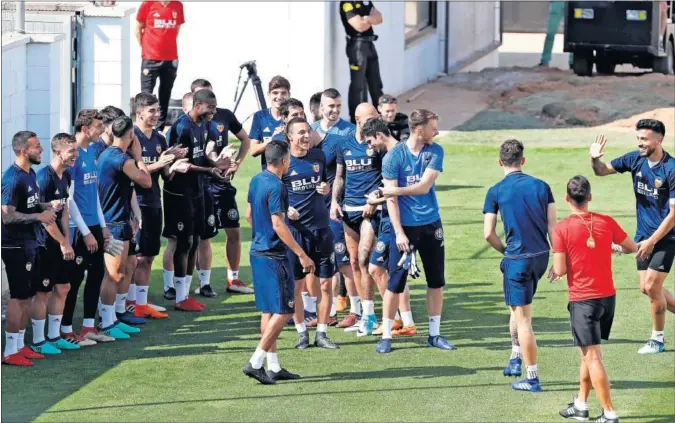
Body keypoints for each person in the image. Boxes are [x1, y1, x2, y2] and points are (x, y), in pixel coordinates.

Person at [552, 176, 638, 423]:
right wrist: (613, 248)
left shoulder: (561, 228)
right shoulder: (606, 222)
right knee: (587, 354)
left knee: (592, 357)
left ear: (567, 199)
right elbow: (631, 247)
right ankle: (580, 405)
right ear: (589, 197)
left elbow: (559, 270)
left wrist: (557, 268)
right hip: (607, 299)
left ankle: (609, 413)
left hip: (583, 300)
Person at [590, 120, 675, 355]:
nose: (640, 143)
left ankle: (657, 340)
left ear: (659, 140)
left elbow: (674, 215)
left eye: (645, 139)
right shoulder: (634, 159)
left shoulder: (671, 169)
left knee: (652, 285)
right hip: (642, 236)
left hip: (667, 236)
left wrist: (651, 241)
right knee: (646, 289)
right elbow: (600, 171)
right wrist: (595, 158)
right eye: (638, 138)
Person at [374, 109, 454, 354]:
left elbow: (423, 187)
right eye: (433, 128)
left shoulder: (435, 151)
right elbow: (390, 203)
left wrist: (394, 190)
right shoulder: (394, 157)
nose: (437, 132)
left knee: (436, 281)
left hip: (431, 224)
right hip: (404, 228)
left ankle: (434, 334)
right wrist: (398, 233)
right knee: (395, 283)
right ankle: (386, 335)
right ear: (419, 129)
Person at [483, 139, 556, 391]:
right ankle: (514, 358)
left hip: (517, 260)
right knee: (517, 309)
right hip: (541, 257)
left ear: (499, 161)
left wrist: (506, 252)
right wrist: (557, 259)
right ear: (523, 160)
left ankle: (532, 377)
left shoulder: (495, 191)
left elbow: (488, 234)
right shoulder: (542, 187)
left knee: (523, 318)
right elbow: (552, 227)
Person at [244, 140, 313, 384]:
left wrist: (262, 237)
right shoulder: (278, 187)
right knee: (285, 310)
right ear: (284, 161)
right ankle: (255, 362)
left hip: (257, 252)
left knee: (269, 310)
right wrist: (301, 254)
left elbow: (250, 215)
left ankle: (273, 366)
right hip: (274, 256)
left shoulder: (256, 180)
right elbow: (278, 224)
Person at [164, 89, 226, 311]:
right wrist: (209, 171)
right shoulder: (182, 128)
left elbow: (200, 157)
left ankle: (185, 294)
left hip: (198, 191)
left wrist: (216, 164)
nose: (214, 111)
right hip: (180, 194)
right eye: (211, 107)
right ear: (198, 105)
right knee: (184, 243)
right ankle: (179, 296)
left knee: (196, 241)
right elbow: (179, 164)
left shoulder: (203, 125)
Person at [190, 79, 253, 296]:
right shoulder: (190, 123)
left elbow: (245, 139)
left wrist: (236, 162)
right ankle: (204, 283)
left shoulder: (224, 115)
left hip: (223, 184)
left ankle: (233, 280)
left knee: (234, 230)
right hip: (202, 185)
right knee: (203, 236)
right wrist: (214, 160)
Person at [282, 117, 339, 350]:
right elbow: (273, 195)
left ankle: (322, 333)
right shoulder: (283, 162)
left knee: (325, 284)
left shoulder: (319, 156)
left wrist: (325, 188)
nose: (306, 136)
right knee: (296, 286)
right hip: (296, 233)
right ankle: (301, 333)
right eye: (300, 133)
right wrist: (286, 209)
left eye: (308, 131)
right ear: (289, 137)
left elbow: (324, 184)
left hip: (322, 230)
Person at [1, 131, 55, 366]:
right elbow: (7, 216)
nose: (41, 150)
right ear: (23, 151)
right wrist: (39, 216)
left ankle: (20, 345)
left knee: (27, 296)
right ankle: (10, 351)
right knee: (19, 297)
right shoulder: (12, 178)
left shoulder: (30, 173)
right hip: (15, 245)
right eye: (37, 147)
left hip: (30, 243)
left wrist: (44, 206)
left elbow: (30, 204)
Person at [61, 109, 115, 345]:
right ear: (85, 129)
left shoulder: (91, 150)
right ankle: (65, 330)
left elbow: (93, 195)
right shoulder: (73, 156)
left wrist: (102, 227)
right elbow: (70, 200)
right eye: (98, 126)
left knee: (96, 275)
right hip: (78, 229)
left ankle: (88, 328)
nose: (102, 129)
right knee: (73, 280)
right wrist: (85, 232)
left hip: (94, 225)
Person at [97, 116, 152, 339]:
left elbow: (127, 190)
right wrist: (139, 157)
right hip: (114, 224)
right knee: (113, 275)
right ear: (131, 135)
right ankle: (106, 322)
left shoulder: (107, 155)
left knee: (124, 268)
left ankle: (114, 317)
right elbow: (146, 182)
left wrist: (135, 214)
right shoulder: (123, 159)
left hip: (121, 221)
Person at [330, 103, 383, 336]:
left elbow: (388, 177)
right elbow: (340, 176)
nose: (373, 121)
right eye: (368, 118)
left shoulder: (379, 144)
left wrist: (375, 199)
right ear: (357, 119)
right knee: (353, 262)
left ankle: (373, 316)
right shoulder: (344, 144)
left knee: (365, 258)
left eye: (375, 116)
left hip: (369, 211)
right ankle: (364, 314)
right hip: (348, 210)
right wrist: (334, 202)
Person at [362, 118, 416, 337]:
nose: (369, 146)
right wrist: (379, 195)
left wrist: (376, 201)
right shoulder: (391, 153)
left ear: (379, 135)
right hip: (388, 220)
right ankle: (399, 320)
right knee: (380, 269)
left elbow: (399, 192)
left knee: (392, 272)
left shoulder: (397, 154)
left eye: (369, 141)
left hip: (396, 222)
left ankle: (402, 322)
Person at [130, 92, 183, 319]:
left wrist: (173, 165)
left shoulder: (160, 139)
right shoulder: (131, 137)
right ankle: (131, 302)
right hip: (136, 204)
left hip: (154, 202)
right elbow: (131, 172)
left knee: (149, 254)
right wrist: (159, 164)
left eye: (158, 110)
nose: (156, 115)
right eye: (151, 110)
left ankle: (141, 302)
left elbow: (165, 174)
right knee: (136, 257)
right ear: (139, 112)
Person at [311, 89, 359, 326]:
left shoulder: (349, 132)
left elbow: (350, 171)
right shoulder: (311, 131)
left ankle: (356, 310)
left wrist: (338, 199)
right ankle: (326, 312)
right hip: (313, 208)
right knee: (321, 260)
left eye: (338, 106)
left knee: (343, 259)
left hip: (337, 207)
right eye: (330, 106)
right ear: (321, 107)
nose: (335, 110)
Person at [30, 134, 80, 355]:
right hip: (44, 244)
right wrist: (62, 242)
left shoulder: (65, 176)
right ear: (58, 152)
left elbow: (65, 210)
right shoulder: (44, 177)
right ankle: (38, 341)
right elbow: (45, 217)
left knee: (63, 287)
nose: (76, 156)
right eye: (72, 152)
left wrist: (67, 239)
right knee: (43, 292)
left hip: (60, 242)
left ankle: (54, 336)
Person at [136, 1, 185, 130]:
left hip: (170, 58)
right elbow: (138, 28)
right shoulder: (147, 4)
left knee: (165, 94)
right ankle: (142, 128)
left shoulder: (178, 5)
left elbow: (176, 30)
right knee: (146, 95)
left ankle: (159, 128)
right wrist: (146, 48)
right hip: (150, 58)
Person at [339, 1, 384, 123]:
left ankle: (380, 118)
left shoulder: (365, 1)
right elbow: (359, 26)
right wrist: (370, 19)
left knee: (376, 84)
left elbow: (380, 18)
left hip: (370, 45)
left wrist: (366, 18)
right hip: (357, 47)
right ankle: (356, 120)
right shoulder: (347, 3)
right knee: (358, 86)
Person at [249, 76, 290, 169]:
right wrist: (272, 140)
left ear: (289, 94)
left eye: (283, 93)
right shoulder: (260, 117)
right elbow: (253, 150)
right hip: (269, 175)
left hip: (291, 173)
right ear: (269, 95)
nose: (279, 97)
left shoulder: (293, 116)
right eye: (275, 93)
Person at [539, 1, 573, 69]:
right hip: (557, 3)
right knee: (550, 33)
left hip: (571, 2)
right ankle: (545, 61)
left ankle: (573, 62)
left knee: (574, 35)